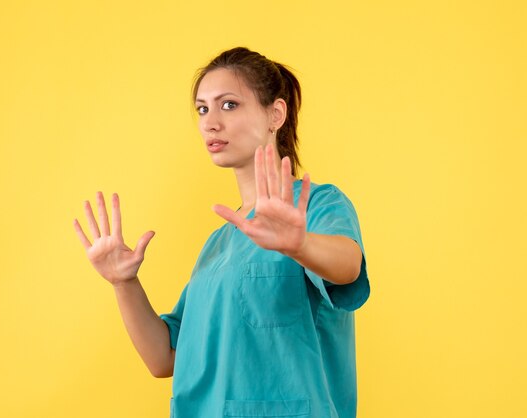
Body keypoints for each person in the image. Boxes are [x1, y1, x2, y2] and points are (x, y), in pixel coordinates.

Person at [73, 47, 370, 418]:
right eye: (202, 109)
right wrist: (123, 283)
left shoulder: (318, 205)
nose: (211, 122)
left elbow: (348, 268)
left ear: (275, 114)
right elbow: (165, 359)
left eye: (228, 105)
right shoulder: (218, 246)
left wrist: (300, 244)